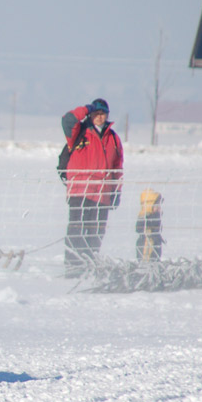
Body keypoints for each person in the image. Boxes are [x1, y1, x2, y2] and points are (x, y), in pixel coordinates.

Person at [58, 98, 124, 277]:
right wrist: (85, 109)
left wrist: (116, 191)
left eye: (102, 114)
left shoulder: (113, 138)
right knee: (76, 230)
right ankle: (73, 268)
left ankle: (90, 267)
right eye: (96, 113)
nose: (99, 117)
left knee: (96, 233)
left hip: (102, 193)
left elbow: (117, 168)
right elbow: (67, 120)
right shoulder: (79, 132)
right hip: (80, 190)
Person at [136, 188, 164, 261]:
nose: (159, 208)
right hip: (147, 249)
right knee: (147, 263)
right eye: (157, 206)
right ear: (149, 206)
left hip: (154, 246)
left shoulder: (154, 218)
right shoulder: (146, 219)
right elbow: (140, 228)